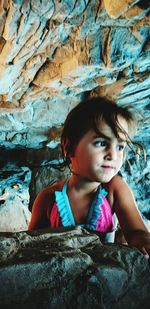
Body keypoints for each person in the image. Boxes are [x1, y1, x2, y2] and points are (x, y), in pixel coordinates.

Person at [28, 97, 150, 257]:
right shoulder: (48, 198)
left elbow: (136, 232)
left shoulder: (114, 189)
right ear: (69, 147)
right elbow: (29, 245)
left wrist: (144, 242)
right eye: (101, 143)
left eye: (120, 147)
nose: (113, 155)